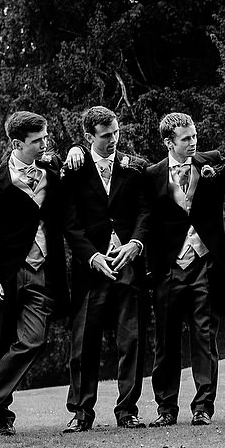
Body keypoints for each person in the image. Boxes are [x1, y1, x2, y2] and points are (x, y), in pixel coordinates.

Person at [0, 111, 69, 436]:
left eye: (45, 138)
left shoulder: (52, 174)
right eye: (37, 141)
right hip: (6, 273)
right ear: (17, 143)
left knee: (33, 340)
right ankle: (0, 417)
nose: (44, 145)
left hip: (42, 271)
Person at [142, 112, 225, 427]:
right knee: (166, 342)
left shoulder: (210, 161)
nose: (193, 142)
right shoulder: (152, 174)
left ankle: (203, 408)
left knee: (204, 337)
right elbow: (147, 220)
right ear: (168, 142)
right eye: (186, 139)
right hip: (169, 268)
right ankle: (166, 409)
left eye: (194, 136)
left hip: (204, 265)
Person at [62, 106, 151, 431]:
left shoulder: (134, 167)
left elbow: (145, 211)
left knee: (132, 341)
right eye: (105, 135)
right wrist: (91, 256)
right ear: (89, 136)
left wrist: (136, 243)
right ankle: (81, 413)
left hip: (129, 265)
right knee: (84, 343)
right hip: (90, 269)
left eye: (116, 132)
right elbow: (70, 223)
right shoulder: (74, 171)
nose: (113, 139)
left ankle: (127, 410)